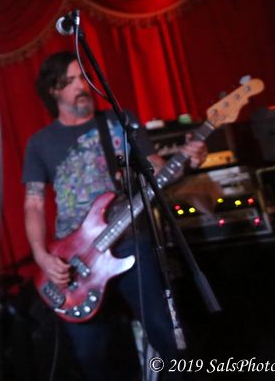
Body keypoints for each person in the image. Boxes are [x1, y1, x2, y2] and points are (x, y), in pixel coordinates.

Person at [22, 51, 208, 381]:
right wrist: (41, 255)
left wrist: (188, 159)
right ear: (53, 90)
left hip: (131, 242)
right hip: (75, 259)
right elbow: (34, 204)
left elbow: (156, 171)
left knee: (165, 332)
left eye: (84, 78)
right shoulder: (40, 143)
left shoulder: (119, 122)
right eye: (71, 81)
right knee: (91, 352)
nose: (82, 86)